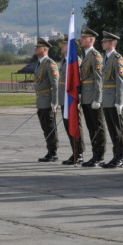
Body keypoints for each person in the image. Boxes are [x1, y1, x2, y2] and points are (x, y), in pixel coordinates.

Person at [79, 27, 108, 167]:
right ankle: (94, 153)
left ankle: (100, 156)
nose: (81, 40)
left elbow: (98, 79)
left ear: (92, 40)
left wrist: (98, 98)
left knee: (98, 127)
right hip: (86, 97)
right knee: (91, 128)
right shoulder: (86, 55)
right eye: (82, 37)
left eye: (84, 38)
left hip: (93, 98)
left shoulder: (95, 56)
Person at [100, 32, 123, 168]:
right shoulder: (106, 58)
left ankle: (120, 157)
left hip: (114, 100)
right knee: (112, 129)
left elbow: (121, 82)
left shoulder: (117, 59)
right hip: (107, 99)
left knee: (118, 130)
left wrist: (120, 101)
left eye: (105, 42)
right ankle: (115, 155)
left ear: (112, 43)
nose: (102, 43)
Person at [58, 36, 85, 165]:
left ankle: (79, 152)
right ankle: (75, 151)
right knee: (68, 126)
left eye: (64, 45)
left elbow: (78, 81)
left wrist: (78, 97)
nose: (61, 47)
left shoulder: (76, 61)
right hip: (64, 99)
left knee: (75, 125)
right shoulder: (64, 61)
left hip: (72, 99)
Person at [33, 37, 59, 162]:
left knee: (50, 128)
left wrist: (55, 101)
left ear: (44, 49)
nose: (35, 49)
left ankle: (53, 152)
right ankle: (50, 150)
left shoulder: (49, 64)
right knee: (45, 128)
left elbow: (55, 84)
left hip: (48, 101)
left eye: (38, 47)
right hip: (41, 101)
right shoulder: (39, 63)